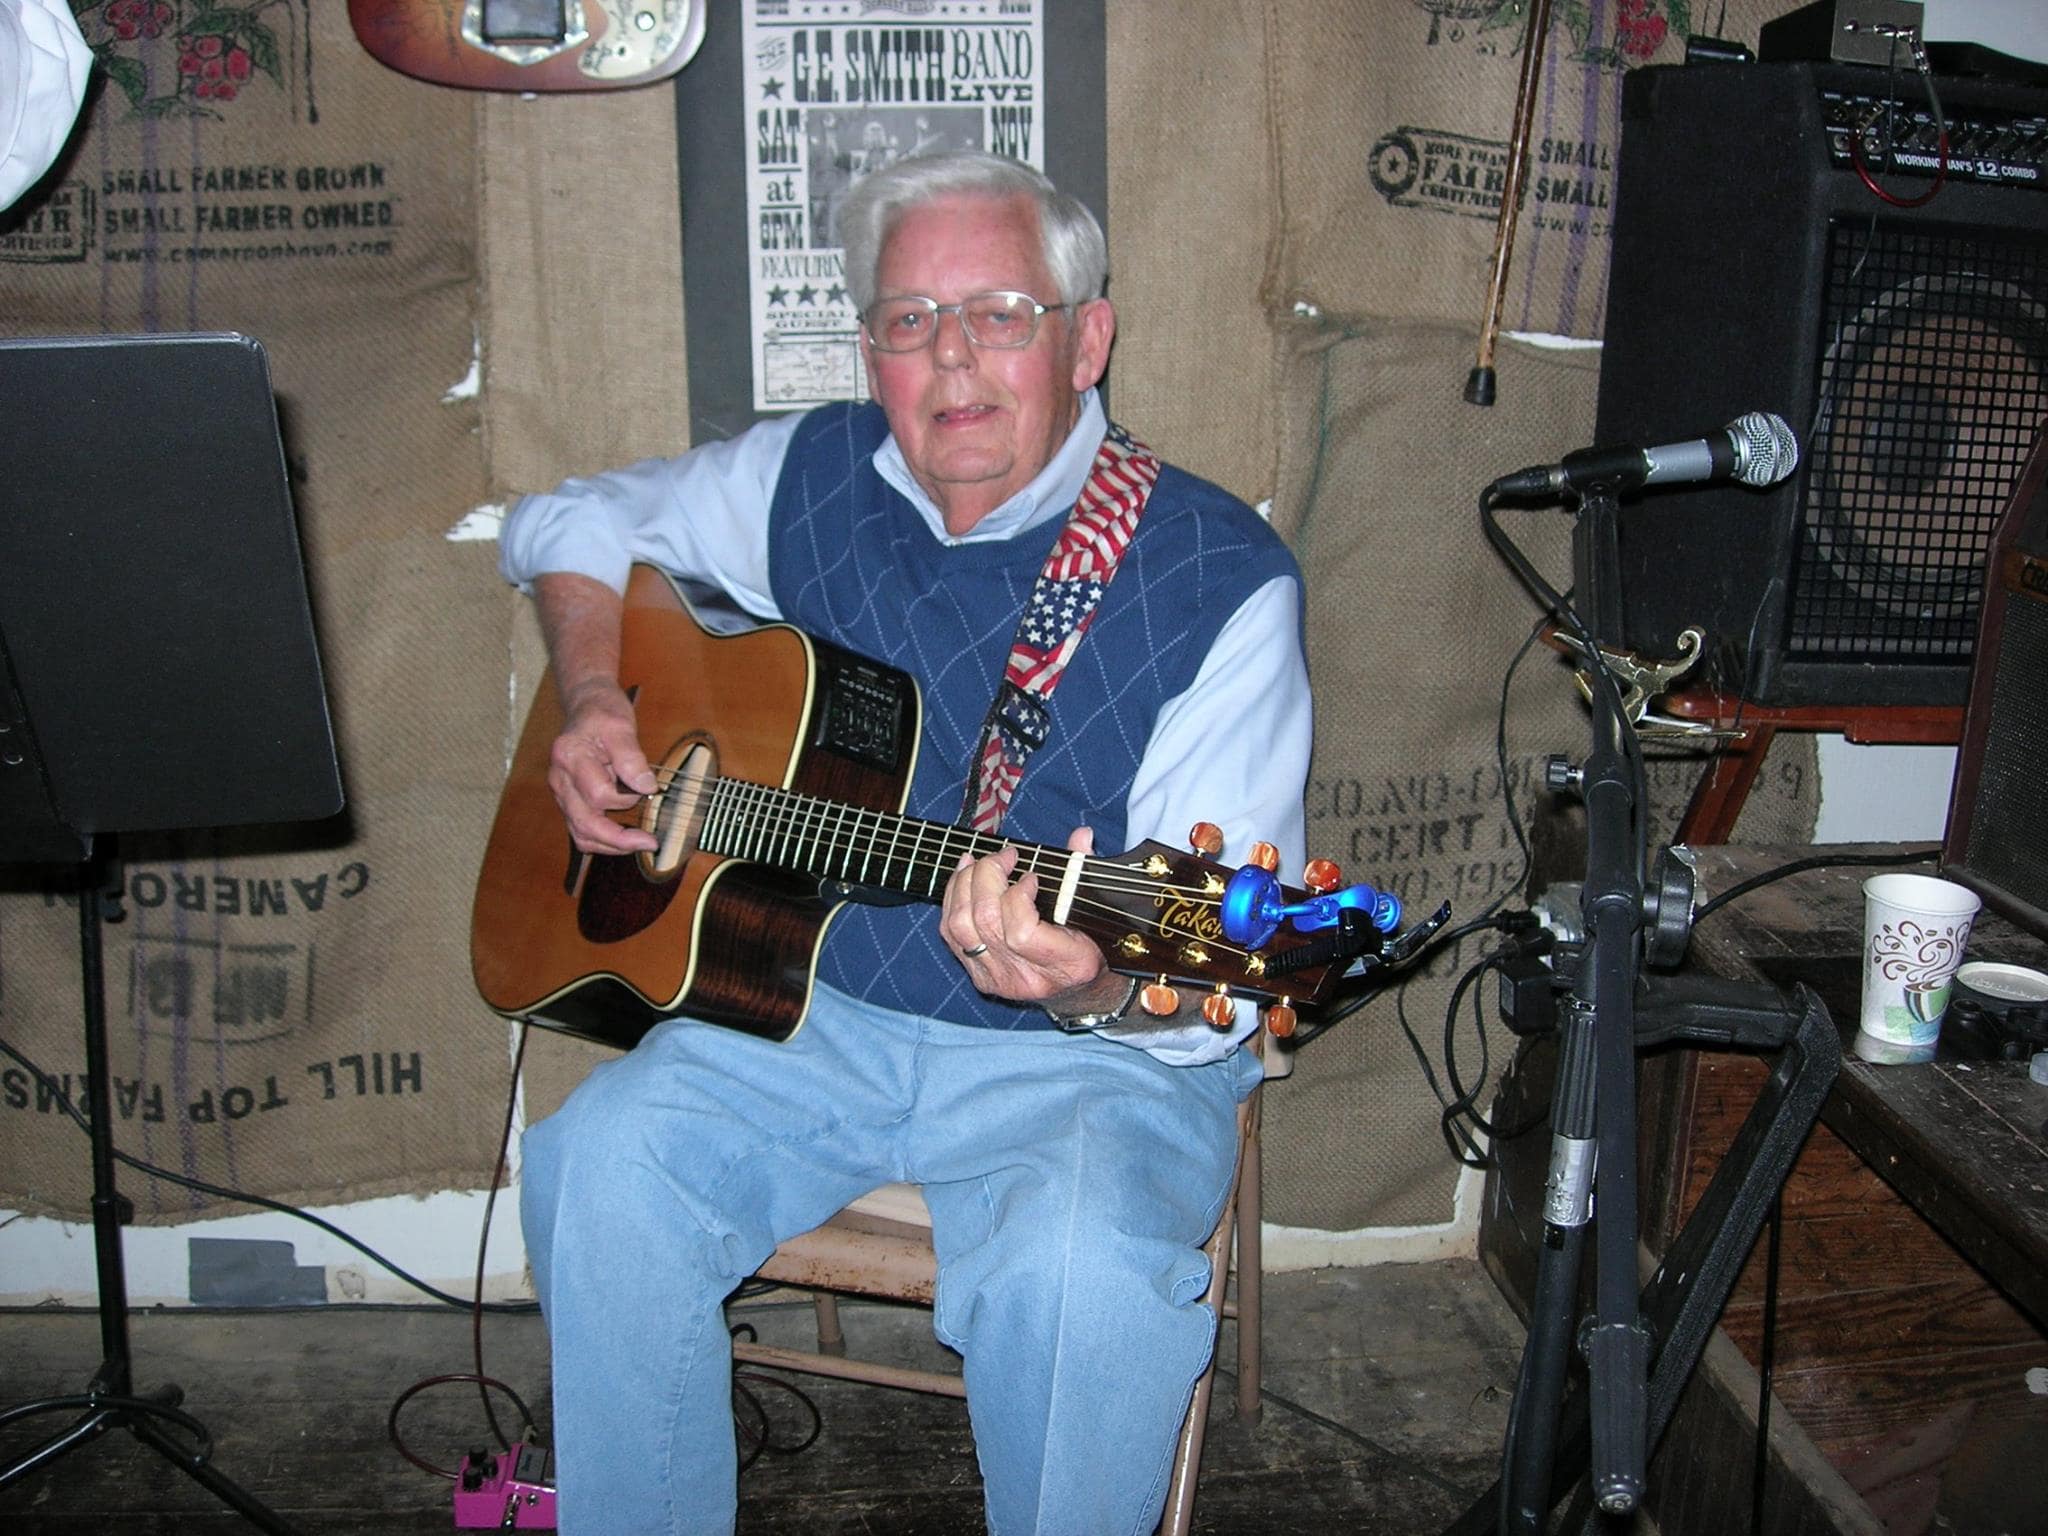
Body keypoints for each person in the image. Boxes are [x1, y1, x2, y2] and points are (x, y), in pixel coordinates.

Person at [501, 149, 1312, 1535]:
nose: (953, 360)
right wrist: (590, 694)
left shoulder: (1217, 577)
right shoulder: (811, 474)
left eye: (1000, 313)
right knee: (600, 1169)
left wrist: (1093, 981)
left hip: (1085, 1066)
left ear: (1087, 338)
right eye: (907, 322)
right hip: (807, 1016)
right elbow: (568, 518)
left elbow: (1214, 981)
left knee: (1081, 1285)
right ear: (868, 347)